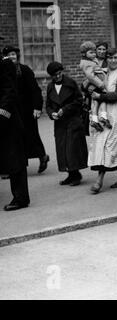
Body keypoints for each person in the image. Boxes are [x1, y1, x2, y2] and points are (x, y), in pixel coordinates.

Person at [88, 48, 117, 194]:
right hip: (103, 112)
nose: (113, 60)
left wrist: (99, 97)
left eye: (116, 58)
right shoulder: (105, 72)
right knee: (104, 144)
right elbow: (91, 85)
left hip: (116, 112)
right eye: (110, 57)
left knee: (110, 145)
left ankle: (99, 181)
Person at [2, 46, 49, 174]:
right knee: (17, 139)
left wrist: (37, 108)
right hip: (13, 110)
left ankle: (42, 156)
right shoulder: (4, 70)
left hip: (27, 111)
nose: (11, 57)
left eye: (13, 54)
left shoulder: (24, 70)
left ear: (17, 55)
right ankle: (19, 165)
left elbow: (35, 90)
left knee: (32, 136)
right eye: (8, 55)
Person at [46, 62, 88, 186]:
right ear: (51, 76)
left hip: (73, 120)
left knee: (72, 148)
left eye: (59, 73)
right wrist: (52, 113)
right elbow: (48, 105)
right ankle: (70, 174)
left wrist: (64, 109)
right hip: (59, 123)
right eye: (55, 75)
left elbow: (79, 100)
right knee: (63, 149)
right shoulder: (50, 87)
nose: (58, 76)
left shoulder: (70, 83)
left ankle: (76, 175)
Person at [0, 41, 30, 211]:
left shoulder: (5, 65)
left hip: (8, 121)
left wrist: (2, 113)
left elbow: (9, 92)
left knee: (15, 161)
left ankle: (20, 198)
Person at [79, 41, 111, 131]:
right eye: (91, 52)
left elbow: (96, 70)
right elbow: (90, 76)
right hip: (96, 85)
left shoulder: (92, 61)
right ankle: (98, 118)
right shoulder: (87, 63)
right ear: (84, 53)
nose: (94, 54)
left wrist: (102, 70)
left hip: (98, 84)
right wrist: (100, 85)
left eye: (94, 52)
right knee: (98, 100)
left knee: (99, 100)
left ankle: (98, 118)